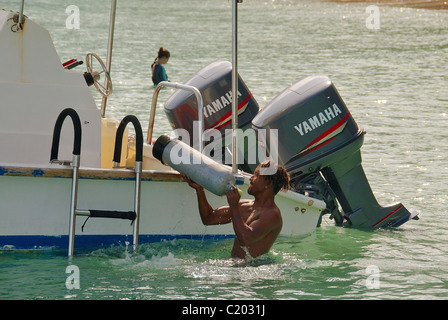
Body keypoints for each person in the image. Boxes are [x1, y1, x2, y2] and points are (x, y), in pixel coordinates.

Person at [183, 160, 290, 259]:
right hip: (237, 267)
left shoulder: (272, 215)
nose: (251, 178)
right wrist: (199, 189)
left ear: (268, 184)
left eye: (257, 175)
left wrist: (234, 206)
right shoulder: (245, 205)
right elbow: (209, 218)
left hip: (253, 272)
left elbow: (245, 239)